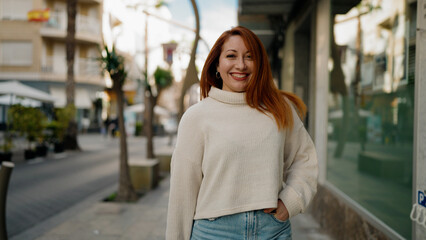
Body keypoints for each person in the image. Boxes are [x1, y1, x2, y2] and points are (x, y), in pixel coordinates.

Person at [166, 26, 318, 240]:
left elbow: (305, 160)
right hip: (214, 232)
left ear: (260, 65)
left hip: (272, 230)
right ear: (217, 64)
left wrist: (290, 201)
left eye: (250, 57)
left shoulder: (279, 108)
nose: (241, 65)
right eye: (231, 56)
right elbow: (182, 192)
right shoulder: (197, 117)